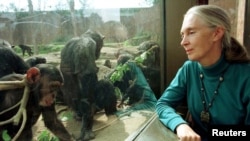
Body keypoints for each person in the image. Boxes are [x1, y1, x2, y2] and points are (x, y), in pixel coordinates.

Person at [156, 5, 250, 141]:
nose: (183, 42)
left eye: (191, 32)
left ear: (217, 33)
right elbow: (163, 104)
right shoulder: (189, 69)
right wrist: (180, 125)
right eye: (182, 35)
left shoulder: (245, 77)